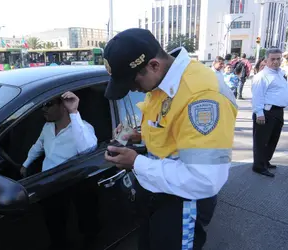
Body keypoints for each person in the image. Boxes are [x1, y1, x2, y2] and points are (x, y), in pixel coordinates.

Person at [103, 28, 237, 250]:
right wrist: (139, 134)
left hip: (184, 201)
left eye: (132, 82)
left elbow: (204, 179)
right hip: (160, 191)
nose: (132, 89)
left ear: (154, 65)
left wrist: (136, 162)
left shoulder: (200, 95)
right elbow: (170, 130)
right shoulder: (162, 81)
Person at [20, 91, 97, 177]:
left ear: (64, 106)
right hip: (44, 178)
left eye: (49, 104)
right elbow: (39, 145)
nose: (44, 109)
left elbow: (87, 150)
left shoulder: (83, 128)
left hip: (64, 181)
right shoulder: (48, 126)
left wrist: (73, 111)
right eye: (43, 104)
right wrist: (26, 164)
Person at [251, 48, 288, 178]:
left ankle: (265, 161)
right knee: (262, 140)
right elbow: (257, 96)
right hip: (266, 112)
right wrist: (259, 113)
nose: (276, 61)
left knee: (273, 138)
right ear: (266, 60)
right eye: (273, 59)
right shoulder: (261, 76)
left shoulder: (280, 73)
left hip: (278, 111)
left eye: (278, 59)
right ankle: (259, 166)